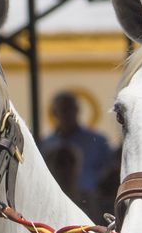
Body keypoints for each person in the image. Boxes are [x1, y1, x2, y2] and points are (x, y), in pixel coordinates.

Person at [39, 90, 116, 221]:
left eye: (71, 109)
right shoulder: (46, 145)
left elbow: (110, 174)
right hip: (55, 206)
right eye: (63, 109)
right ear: (55, 113)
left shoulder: (98, 141)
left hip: (93, 207)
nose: (67, 114)